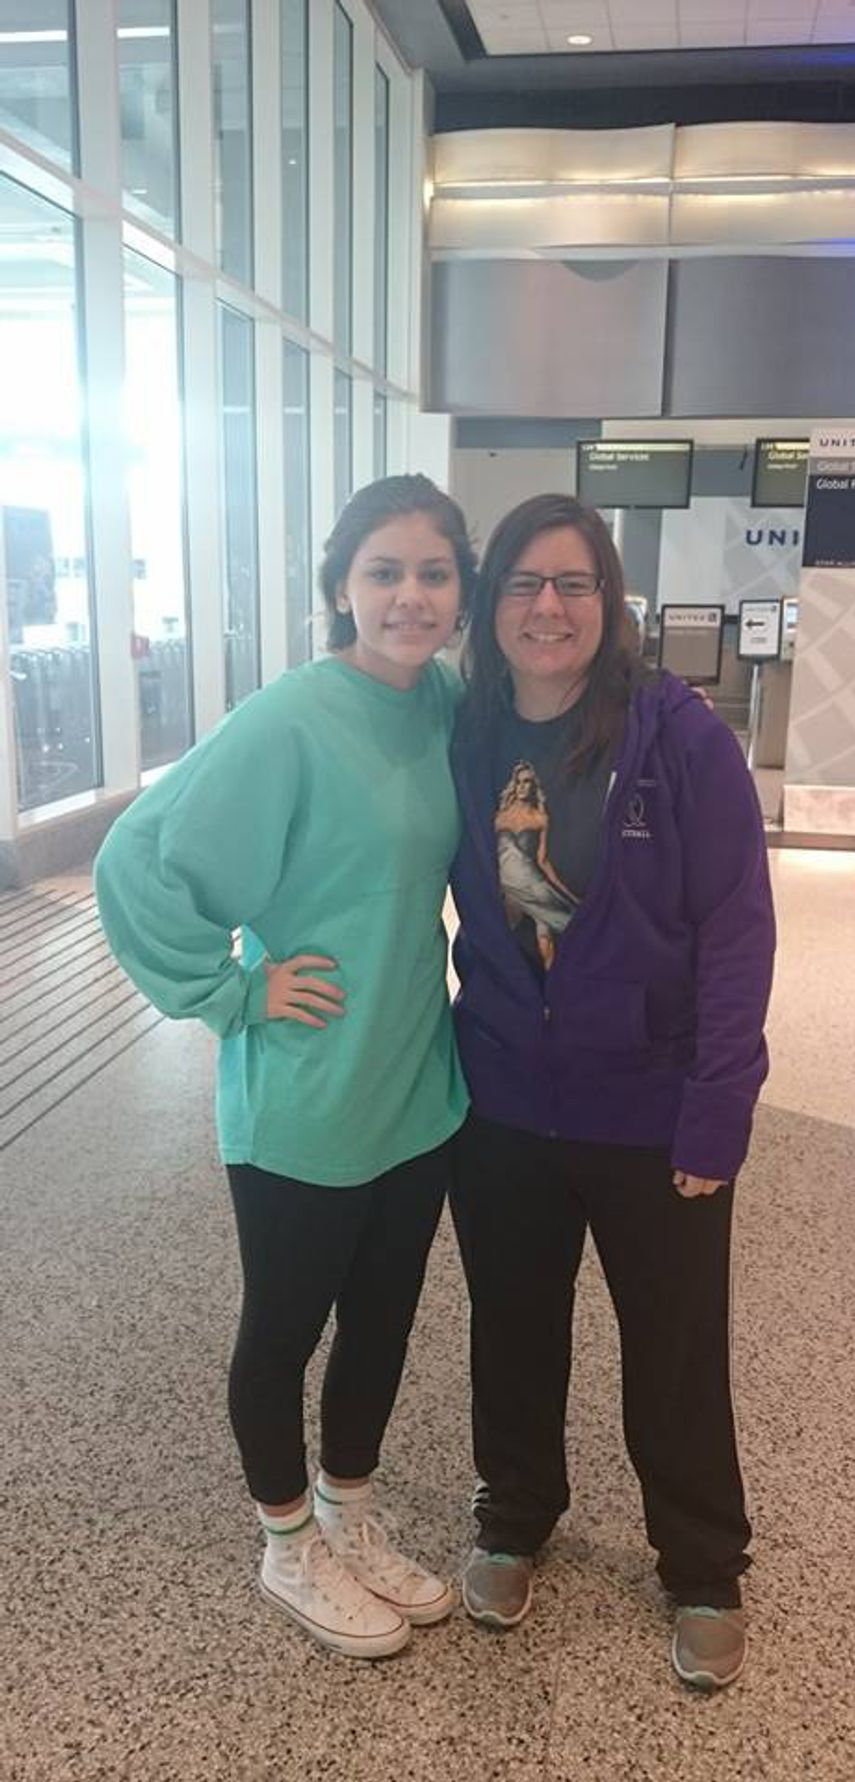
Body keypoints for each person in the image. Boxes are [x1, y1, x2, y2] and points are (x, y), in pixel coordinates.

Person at [95, 474, 477, 1661]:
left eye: (432, 573)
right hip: (306, 1091)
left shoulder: (441, 700)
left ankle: (348, 1512)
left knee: (382, 1324)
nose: (409, 596)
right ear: (340, 587)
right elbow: (136, 857)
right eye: (383, 572)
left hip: (415, 1085)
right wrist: (229, 991)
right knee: (283, 1330)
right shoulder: (288, 719)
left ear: (459, 592)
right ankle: (286, 1541)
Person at [448, 493, 776, 1690]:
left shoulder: (675, 735)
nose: (547, 607)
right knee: (511, 1325)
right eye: (523, 583)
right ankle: (513, 1515)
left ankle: (701, 1564)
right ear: (491, 603)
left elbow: (736, 928)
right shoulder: (466, 729)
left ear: (608, 601)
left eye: (572, 583)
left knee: (674, 1345)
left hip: (650, 1109)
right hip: (503, 1101)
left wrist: (718, 1107)